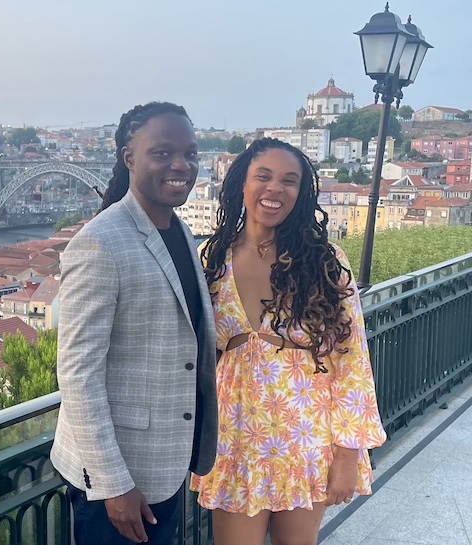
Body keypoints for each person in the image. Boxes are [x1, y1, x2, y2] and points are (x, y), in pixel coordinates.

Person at [191, 138, 387, 545]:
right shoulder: (211, 258)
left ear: (302, 193)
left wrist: (349, 454)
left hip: (306, 435)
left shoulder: (325, 259)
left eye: (289, 180)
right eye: (263, 176)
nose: (274, 189)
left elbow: (352, 360)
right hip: (236, 434)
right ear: (240, 184)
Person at [50, 101, 218, 545]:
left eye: (191, 153)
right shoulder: (100, 244)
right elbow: (77, 373)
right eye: (162, 153)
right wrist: (112, 484)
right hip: (117, 481)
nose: (181, 165)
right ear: (129, 159)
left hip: (166, 460)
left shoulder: (179, 231)